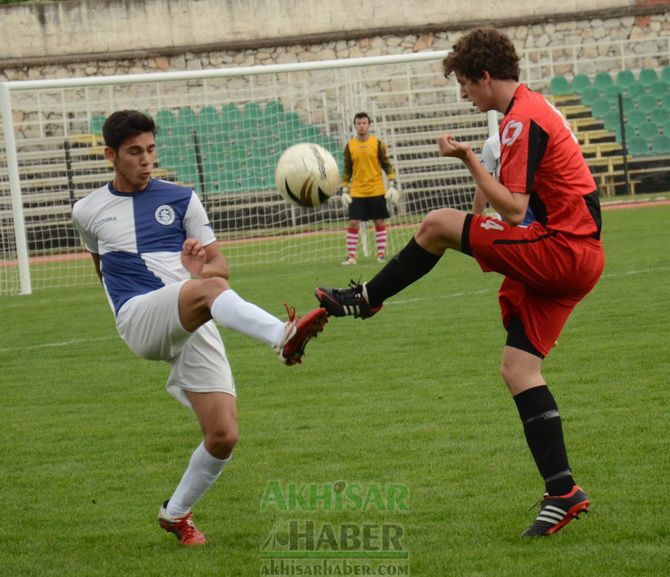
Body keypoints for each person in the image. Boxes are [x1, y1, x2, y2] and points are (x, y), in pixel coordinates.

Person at [315, 27, 604, 537]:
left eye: (465, 86)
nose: (463, 95)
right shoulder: (531, 110)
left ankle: (365, 298)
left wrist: (469, 159)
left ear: (485, 76)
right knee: (518, 369)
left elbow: (512, 211)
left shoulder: (521, 121)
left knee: (437, 224)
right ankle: (563, 491)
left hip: (562, 248)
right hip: (577, 253)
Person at [72, 110, 328, 547]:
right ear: (110, 155)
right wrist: (165, 293)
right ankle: (282, 336)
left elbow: (219, 270)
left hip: (195, 309)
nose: (146, 159)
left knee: (224, 435)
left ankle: (175, 514)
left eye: (151, 149)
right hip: (140, 315)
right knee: (208, 292)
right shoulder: (87, 211)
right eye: (135, 152)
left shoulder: (183, 198)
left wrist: (196, 268)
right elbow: (102, 268)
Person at [339, 112, 400, 265]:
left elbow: (387, 165)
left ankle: (381, 255)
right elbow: (347, 169)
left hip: (376, 190)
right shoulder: (350, 146)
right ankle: (351, 257)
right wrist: (344, 189)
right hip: (357, 191)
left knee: (379, 222)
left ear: (369, 125)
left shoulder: (378, 144)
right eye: (358, 123)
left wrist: (392, 183)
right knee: (353, 222)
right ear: (354, 125)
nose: (361, 126)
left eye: (364, 123)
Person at [473, 132, 535, 226]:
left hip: (544, 212)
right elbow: (483, 180)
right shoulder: (493, 143)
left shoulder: (545, 135)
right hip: (514, 215)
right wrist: (476, 218)